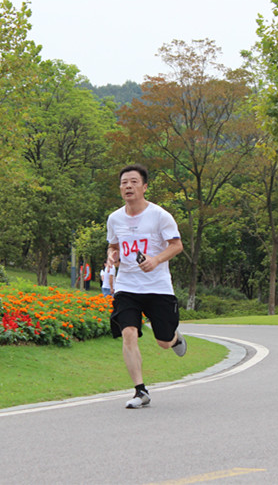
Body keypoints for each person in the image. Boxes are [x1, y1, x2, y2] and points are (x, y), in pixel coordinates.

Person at [107, 164, 186, 409]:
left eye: (133, 182)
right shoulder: (114, 218)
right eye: (124, 183)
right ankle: (140, 391)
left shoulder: (160, 216)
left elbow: (177, 245)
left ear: (144, 187)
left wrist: (156, 260)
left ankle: (174, 339)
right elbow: (113, 246)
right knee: (128, 333)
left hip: (157, 287)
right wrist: (112, 256)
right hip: (127, 286)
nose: (128, 186)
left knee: (163, 341)